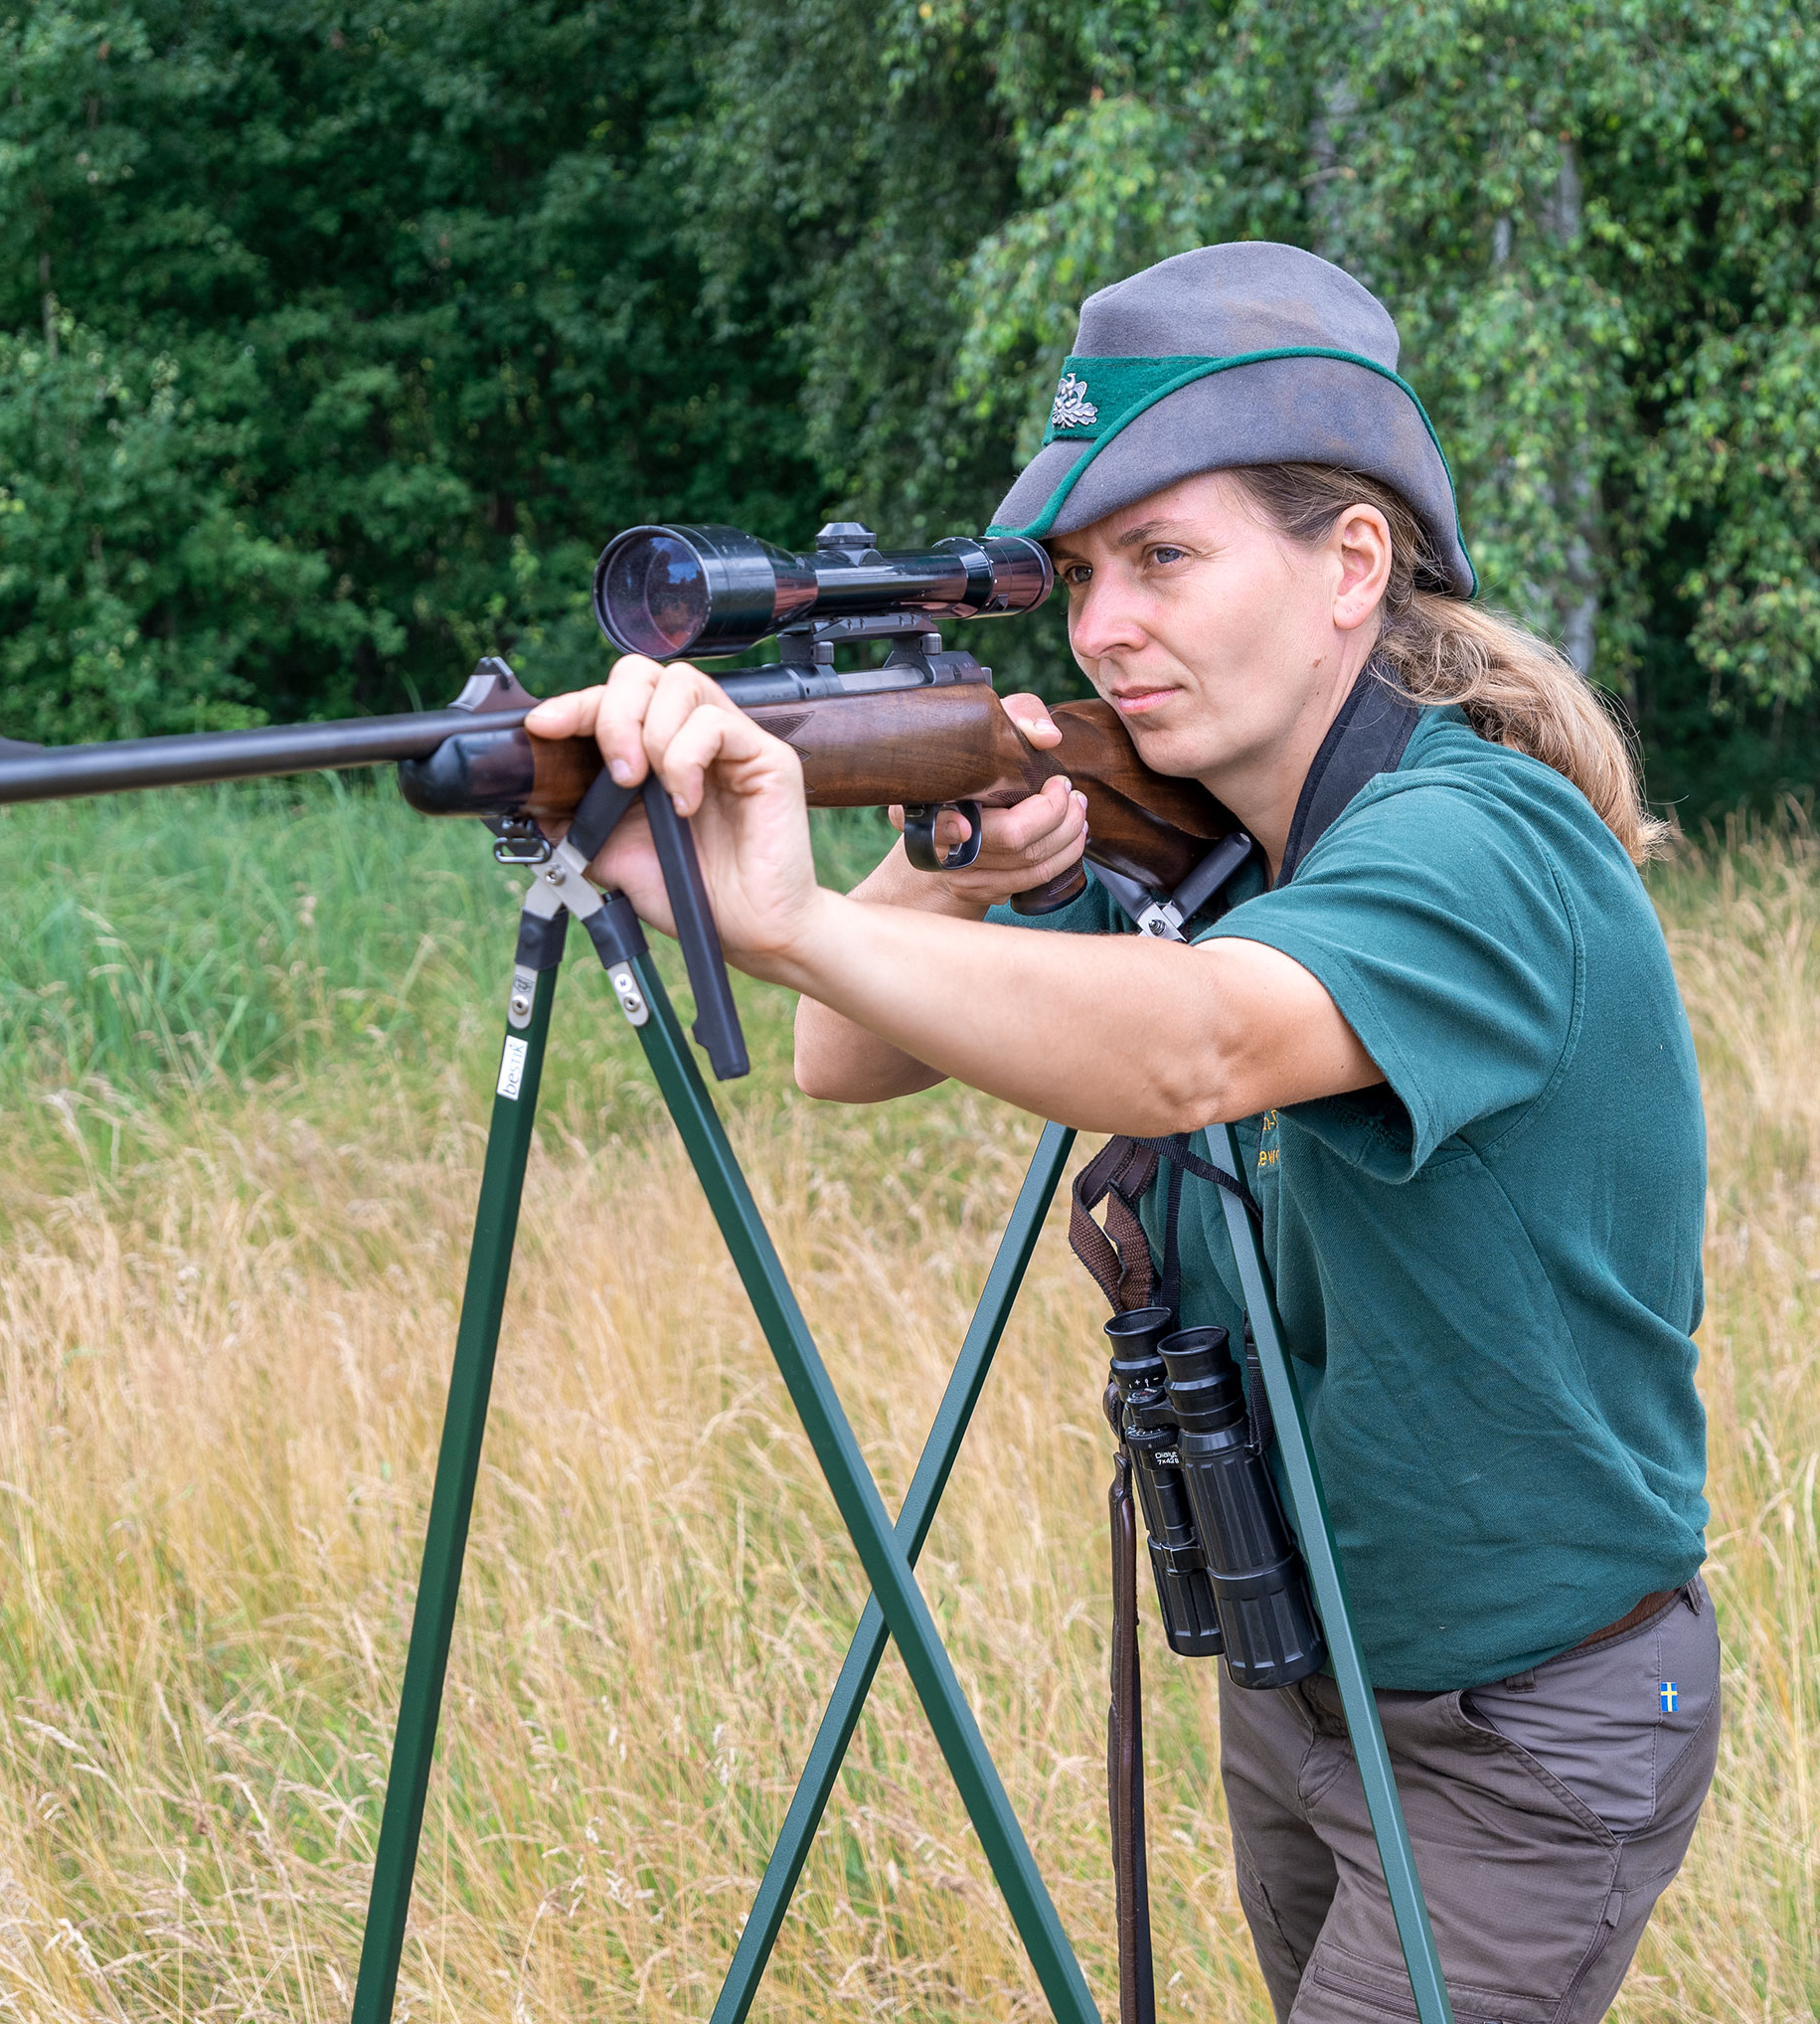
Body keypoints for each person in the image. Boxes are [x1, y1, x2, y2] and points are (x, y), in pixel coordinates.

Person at [526, 242, 1717, 2022]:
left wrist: (774, 910)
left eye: (1166, 558)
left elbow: (1198, 1050)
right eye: (1080, 575)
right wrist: (949, 856)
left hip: (1520, 1726)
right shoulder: (1211, 845)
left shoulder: (1480, 846)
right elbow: (843, 1056)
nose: (1102, 627)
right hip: (1299, 1680)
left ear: (1353, 564)